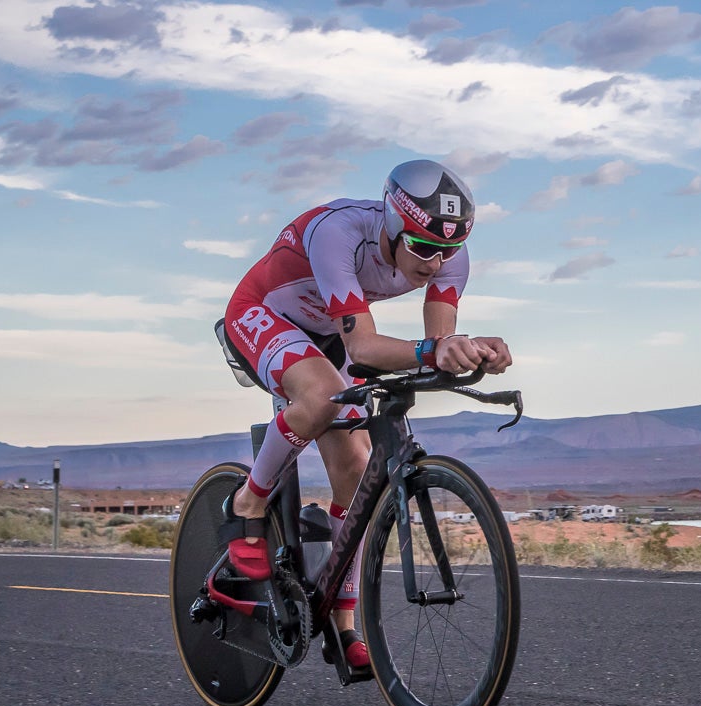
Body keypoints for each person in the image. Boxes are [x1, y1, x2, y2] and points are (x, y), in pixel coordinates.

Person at [218, 159, 512, 670]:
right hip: (261, 313)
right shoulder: (340, 233)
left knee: (356, 468)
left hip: (331, 334)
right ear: (393, 226)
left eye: (446, 252)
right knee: (320, 394)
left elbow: (437, 344)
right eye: (421, 247)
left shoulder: (446, 258)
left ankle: (342, 620)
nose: (433, 264)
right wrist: (433, 351)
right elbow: (367, 347)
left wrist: (471, 352)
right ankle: (249, 503)